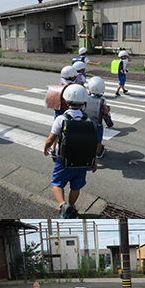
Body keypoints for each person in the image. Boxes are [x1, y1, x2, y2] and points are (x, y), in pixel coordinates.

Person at [44, 84, 97, 219]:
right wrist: (94, 162)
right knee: (76, 186)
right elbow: (92, 144)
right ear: (84, 102)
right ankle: (72, 207)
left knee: (57, 183)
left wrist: (46, 147)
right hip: (83, 162)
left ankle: (63, 205)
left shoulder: (61, 119)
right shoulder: (88, 120)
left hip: (64, 160)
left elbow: (51, 139)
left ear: (65, 101)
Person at [87, 76, 111, 159]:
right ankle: (98, 152)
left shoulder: (86, 97)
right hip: (97, 123)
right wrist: (108, 109)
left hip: (87, 121)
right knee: (98, 139)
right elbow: (104, 111)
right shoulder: (102, 99)